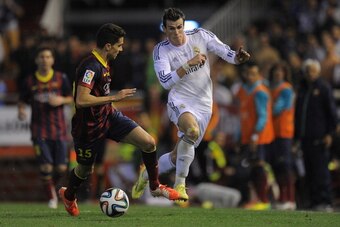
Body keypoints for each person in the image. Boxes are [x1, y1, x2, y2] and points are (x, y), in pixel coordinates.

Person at [58, 23, 180, 217]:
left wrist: (112, 106)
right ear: (108, 46)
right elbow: (81, 100)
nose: (121, 49)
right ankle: (69, 195)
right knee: (84, 170)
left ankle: (155, 187)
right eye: (119, 45)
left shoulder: (104, 63)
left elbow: (100, 94)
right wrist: (114, 98)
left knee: (148, 142)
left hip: (109, 116)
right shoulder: (90, 66)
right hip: (88, 127)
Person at [132, 7, 250, 202]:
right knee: (192, 132)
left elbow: (225, 52)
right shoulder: (161, 50)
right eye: (171, 28)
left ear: (183, 25)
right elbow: (165, 81)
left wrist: (237, 58)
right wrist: (187, 65)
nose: (176, 32)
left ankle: (146, 175)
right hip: (180, 100)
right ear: (165, 28)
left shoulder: (200, 35)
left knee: (175, 156)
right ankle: (181, 183)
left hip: (204, 104)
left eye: (179, 27)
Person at [17, 46, 73, 209]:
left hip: (60, 130)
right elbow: (22, 100)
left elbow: (71, 97)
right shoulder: (29, 81)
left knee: (62, 168)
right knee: (46, 166)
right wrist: (21, 110)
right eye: (41, 57)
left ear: (53, 60)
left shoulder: (61, 78)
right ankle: (51, 197)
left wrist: (61, 100)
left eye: (48, 57)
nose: (45, 60)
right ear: (36, 60)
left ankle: (52, 190)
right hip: (39, 130)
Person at [294, 59, 338, 211]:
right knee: (309, 170)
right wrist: (297, 137)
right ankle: (313, 201)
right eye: (308, 71)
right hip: (305, 138)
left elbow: (332, 113)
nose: (310, 74)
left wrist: (330, 134)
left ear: (318, 72)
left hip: (320, 137)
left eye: (312, 71)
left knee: (321, 171)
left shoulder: (323, 88)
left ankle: (325, 201)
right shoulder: (303, 89)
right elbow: (298, 114)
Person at [235, 62, 274, 210]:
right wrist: (240, 135)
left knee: (258, 167)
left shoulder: (260, 92)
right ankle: (256, 199)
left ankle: (264, 201)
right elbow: (243, 116)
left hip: (258, 138)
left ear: (258, 75)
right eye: (248, 74)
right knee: (251, 169)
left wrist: (254, 137)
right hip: (248, 136)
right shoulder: (245, 91)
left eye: (253, 74)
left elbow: (262, 117)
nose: (250, 77)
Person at [268, 62, 296, 210]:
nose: (277, 74)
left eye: (280, 71)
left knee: (285, 165)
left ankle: (290, 199)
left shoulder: (286, 89)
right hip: (274, 132)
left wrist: (268, 107)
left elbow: (278, 109)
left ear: (285, 74)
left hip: (284, 131)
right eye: (276, 71)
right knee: (277, 165)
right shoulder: (272, 89)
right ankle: (282, 198)